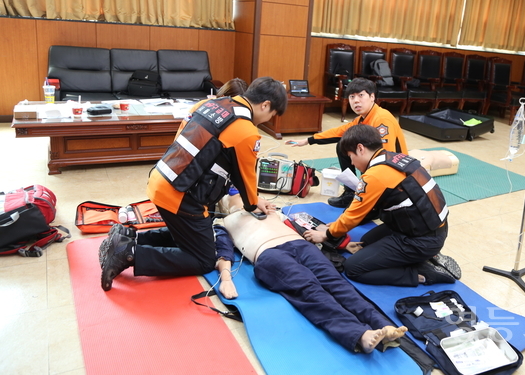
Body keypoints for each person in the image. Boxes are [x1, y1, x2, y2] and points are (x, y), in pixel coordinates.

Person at [99, 77, 288, 291]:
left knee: (192, 236)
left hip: (162, 178)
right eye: (272, 114)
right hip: (181, 196)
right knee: (204, 259)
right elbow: (246, 177)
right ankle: (130, 253)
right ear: (265, 105)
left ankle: (128, 237)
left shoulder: (209, 104)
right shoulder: (246, 131)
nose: (268, 119)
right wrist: (253, 204)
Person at [218, 193, 408, 354]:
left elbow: (307, 227)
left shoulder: (272, 212)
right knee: (309, 289)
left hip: (301, 245)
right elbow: (224, 252)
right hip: (269, 253)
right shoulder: (225, 222)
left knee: (337, 283)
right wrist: (226, 279)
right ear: (226, 205)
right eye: (235, 196)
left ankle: (382, 325)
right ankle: (358, 334)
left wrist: (343, 244)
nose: (243, 196)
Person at [304, 125, 460, 287]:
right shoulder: (395, 158)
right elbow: (364, 210)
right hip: (428, 227)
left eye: (351, 156)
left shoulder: (375, 175)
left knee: (353, 268)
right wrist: (337, 226)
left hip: (421, 239)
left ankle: (422, 274)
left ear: (360, 148)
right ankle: (425, 256)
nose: (352, 162)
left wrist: (327, 235)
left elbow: (353, 216)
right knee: (366, 241)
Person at [286, 78, 408, 208]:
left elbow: (385, 158)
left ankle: (369, 198)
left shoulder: (382, 118)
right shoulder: (362, 119)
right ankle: (351, 192)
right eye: (352, 97)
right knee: (343, 146)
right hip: (379, 172)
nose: (356, 101)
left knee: (368, 155)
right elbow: (339, 132)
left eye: (361, 95)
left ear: (372, 97)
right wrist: (308, 140)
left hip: (396, 178)